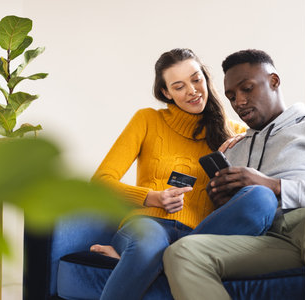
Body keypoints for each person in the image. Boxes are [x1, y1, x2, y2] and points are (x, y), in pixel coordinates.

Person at [163, 49, 305, 300]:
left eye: (247, 89)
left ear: (273, 81)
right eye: (231, 96)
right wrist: (227, 203)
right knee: (181, 252)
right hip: (278, 239)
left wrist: (277, 186)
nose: (239, 102)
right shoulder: (235, 150)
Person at [89, 48, 278, 300]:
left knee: (260, 199)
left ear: (206, 79)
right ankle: (145, 257)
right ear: (166, 92)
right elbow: (100, 184)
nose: (192, 90)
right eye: (178, 86)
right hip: (148, 226)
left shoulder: (236, 133)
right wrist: (154, 198)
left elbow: (245, 202)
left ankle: (142, 262)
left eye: (196, 79)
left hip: (199, 236)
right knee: (150, 244)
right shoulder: (147, 120)